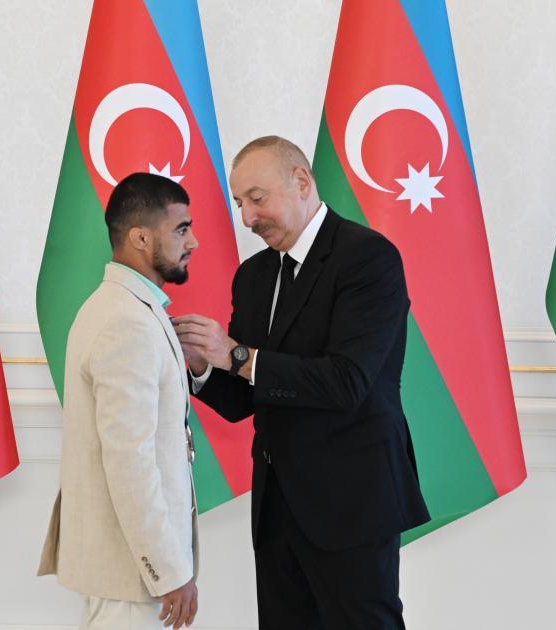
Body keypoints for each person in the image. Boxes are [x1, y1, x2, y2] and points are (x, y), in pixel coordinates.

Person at [173, 136, 430, 629]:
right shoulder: (252, 275)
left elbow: (346, 382)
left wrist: (237, 354)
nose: (247, 218)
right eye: (239, 203)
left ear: (301, 181)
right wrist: (202, 365)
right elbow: (242, 398)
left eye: (257, 198)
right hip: (277, 509)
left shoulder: (368, 257)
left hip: (353, 503)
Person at [38, 172, 200, 629]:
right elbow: (130, 461)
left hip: (128, 577)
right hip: (132, 584)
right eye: (181, 229)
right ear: (140, 238)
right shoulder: (125, 321)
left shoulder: (126, 309)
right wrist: (167, 570)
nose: (194, 242)